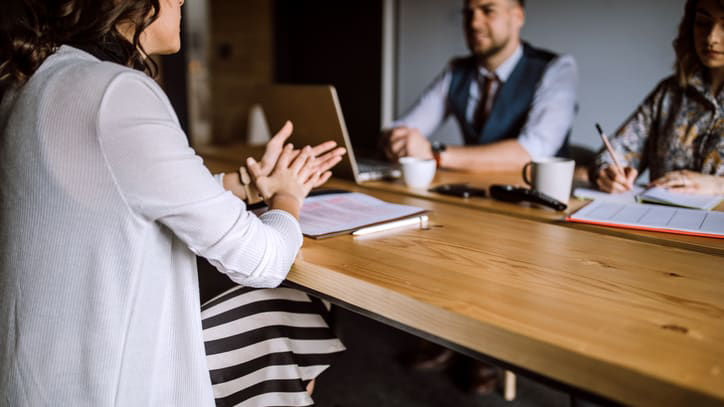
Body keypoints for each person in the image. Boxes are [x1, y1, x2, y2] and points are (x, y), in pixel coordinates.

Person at [0, 0, 346, 405]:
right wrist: (288, 195)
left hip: (40, 379)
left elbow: (119, 193)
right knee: (292, 305)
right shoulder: (117, 93)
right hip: (109, 390)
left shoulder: (33, 80)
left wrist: (248, 186)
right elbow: (262, 261)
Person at [380, 0, 578, 172]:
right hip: (472, 197)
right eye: (469, 13)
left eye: (488, 10)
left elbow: (533, 152)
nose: (474, 23)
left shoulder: (557, 69)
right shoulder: (456, 71)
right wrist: (397, 141)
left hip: (534, 203)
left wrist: (435, 153)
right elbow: (403, 127)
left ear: (518, 16)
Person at [591, 0, 724, 195]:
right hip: (657, 220)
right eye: (702, 23)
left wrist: (717, 186)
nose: (711, 37)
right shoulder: (670, 93)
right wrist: (606, 173)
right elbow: (614, 154)